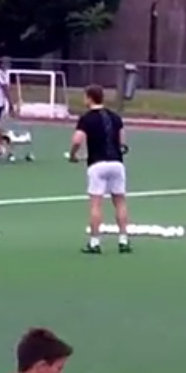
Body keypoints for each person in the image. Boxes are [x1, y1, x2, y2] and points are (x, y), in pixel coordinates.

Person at [70, 85, 131, 254]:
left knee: (96, 204)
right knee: (120, 202)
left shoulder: (86, 119)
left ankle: (95, 242)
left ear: (89, 98)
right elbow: (123, 142)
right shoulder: (115, 117)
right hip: (117, 163)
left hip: (97, 164)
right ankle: (123, 240)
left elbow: (77, 140)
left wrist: (73, 155)